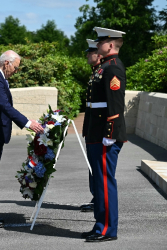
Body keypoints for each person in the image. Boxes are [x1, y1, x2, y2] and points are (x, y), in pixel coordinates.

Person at [0, 50, 44, 228]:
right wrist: (28, 123)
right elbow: (4, 106)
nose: (16, 71)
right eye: (16, 67)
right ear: (7, 63)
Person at [82, 27, 127, 242]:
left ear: (110, 44)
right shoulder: (104, 68)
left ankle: (108, 229)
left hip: (104, 136)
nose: (98, 45)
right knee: (99, 183)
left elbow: (115, 105)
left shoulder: (113, 68)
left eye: (101, 42)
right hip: (96, 134)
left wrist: (109, 134)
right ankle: (100, 225)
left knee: (105, 183)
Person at [80, 39, 103, 213]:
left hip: (99, 129)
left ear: (99, 55)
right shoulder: (95, 73)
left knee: (97, 166)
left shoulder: (102, 73)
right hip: (92, 128)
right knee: (92, 166)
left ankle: (99, 198)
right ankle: (96, 197)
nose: (88, 54)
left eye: (91, 52)